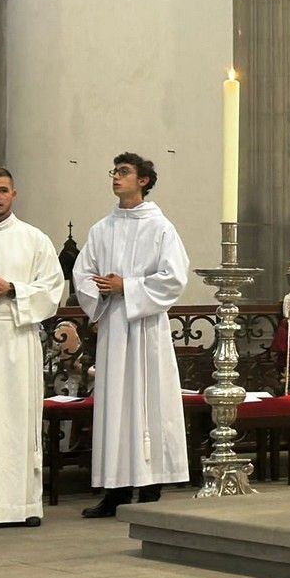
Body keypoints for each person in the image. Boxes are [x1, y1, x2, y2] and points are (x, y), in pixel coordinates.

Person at [74, 153, 190, 517]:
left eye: (124, 172)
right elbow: (83, 273)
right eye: (114, 171)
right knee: (114, 406)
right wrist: (104, 292)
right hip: (113, 327)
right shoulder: (101, 229)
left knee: (150, 401)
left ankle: (151, 484)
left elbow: (175, 277)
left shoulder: (161, 228)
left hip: (147, 328)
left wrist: (128, 286)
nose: (115, 177)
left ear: (143, 180)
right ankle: (116, 489)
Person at [0, 168, 65, 528]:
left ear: (15, 194)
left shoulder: (35, 239)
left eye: (2, 191)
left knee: (16, 420)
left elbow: (54, 290)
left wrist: (13, 288)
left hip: (16, 339)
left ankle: (23, 505)